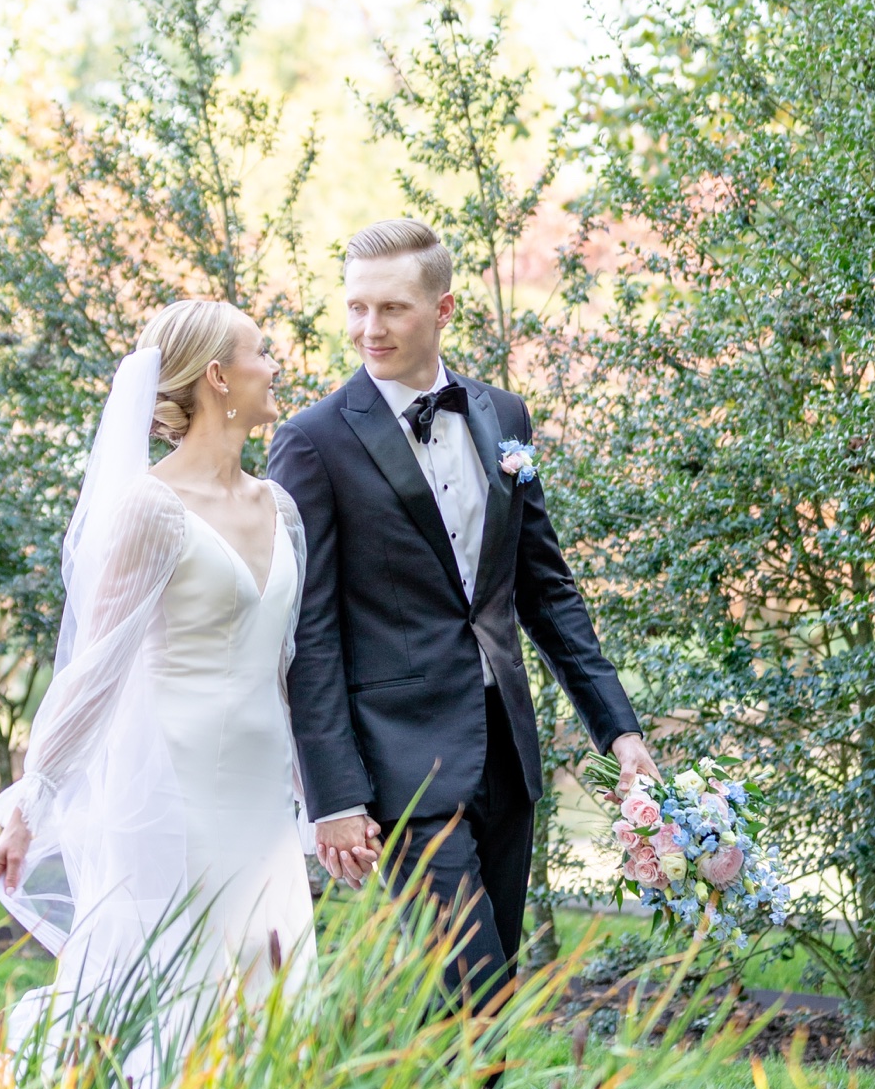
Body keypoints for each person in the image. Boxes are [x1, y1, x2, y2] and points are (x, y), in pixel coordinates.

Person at [0, 299, 380, 1087]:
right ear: (217, 378)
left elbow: (290, 667)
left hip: (258, 802)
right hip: (171, 792)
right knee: (174, 998)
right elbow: (94, 671)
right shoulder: (151, 509)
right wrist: (33, 803)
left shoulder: (282, 508)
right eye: (260, 352)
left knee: (267, 1002)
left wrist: (326, 800)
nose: (276, 366)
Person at [269, 219, 660, 1006]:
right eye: (355, 309)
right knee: (469, 989)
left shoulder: (502, 417)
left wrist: (619, 732)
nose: (368, 330)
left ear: (442, 310)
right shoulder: (311, 442)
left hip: (505, 759)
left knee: (487, 989)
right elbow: (307, 635)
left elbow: (546, 592)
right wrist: (335, 798)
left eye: (392, 310)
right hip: (400, 768)